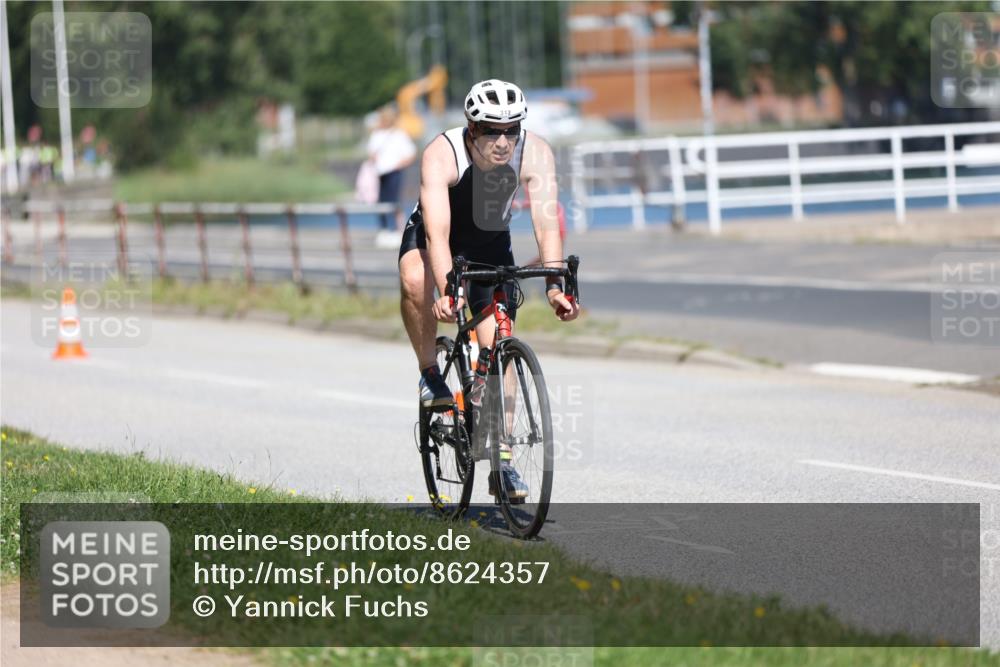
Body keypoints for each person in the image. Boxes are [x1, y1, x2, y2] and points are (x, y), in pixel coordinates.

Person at [397, 79, 580, 498]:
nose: (503, 140)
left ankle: (502, 461)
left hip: (488, 243)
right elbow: (438, 236)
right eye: (491, 130)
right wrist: (447, 290)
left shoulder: (536, 152)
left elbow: (546, 222)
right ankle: (430, 372)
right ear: (471, 128)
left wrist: (554, 286)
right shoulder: (442, 153)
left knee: (500, 345)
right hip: (435, 238)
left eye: (511, 129)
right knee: (412, 277)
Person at [366, 105, 417, 243]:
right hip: (380, 172)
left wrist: (397, 165)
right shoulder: (376, 134)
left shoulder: (399, 135)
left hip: (394, 172)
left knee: (392, 200)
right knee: (381, 200)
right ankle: (384, 229)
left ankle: (393, 229)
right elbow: (371, 153)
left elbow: (410, 154)